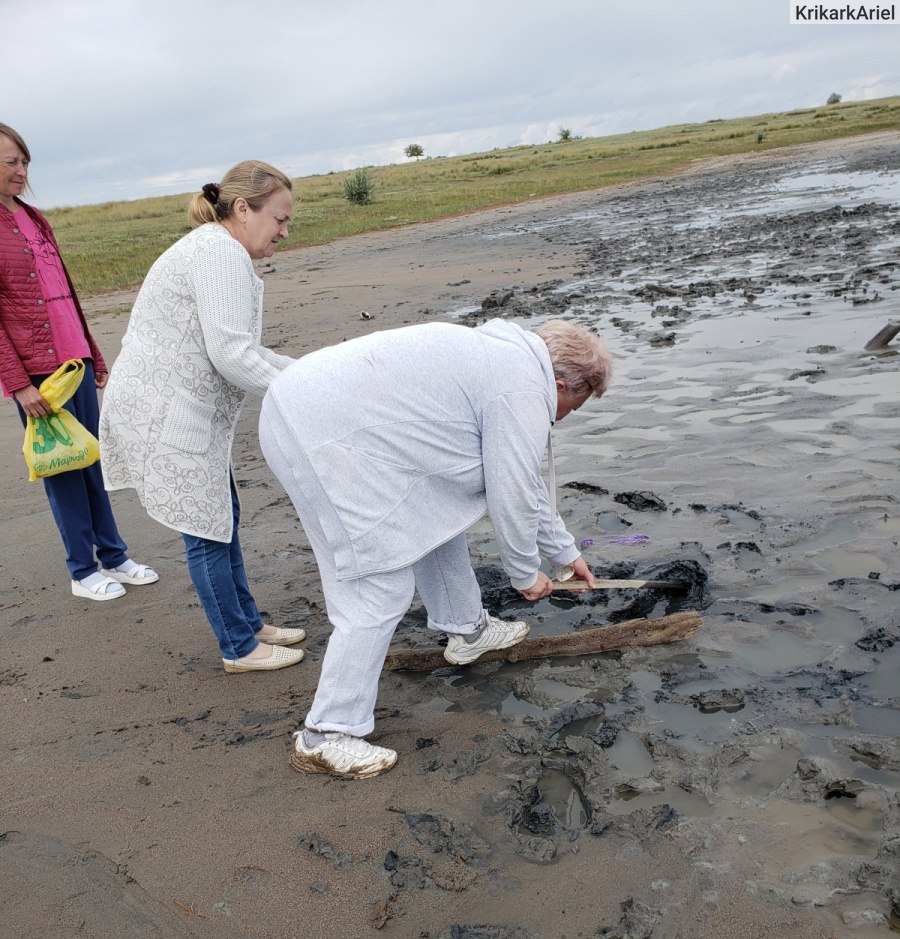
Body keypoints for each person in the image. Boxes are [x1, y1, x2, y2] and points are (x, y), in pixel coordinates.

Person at [260, 316, 612, 779]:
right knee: (375, 590)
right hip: (322, 433)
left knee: (431, 514)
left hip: (307, 409)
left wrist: (565, 553)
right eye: (575, 406)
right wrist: (527, 574)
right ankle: (326, 735)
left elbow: (525, 483)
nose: (564, 416)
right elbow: (513, 492)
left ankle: (467, 631)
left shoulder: (506, 358)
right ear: (562, 384)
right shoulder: (523, 386)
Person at [100, 160, 305, 673]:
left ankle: (249, 623)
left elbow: (240, 349)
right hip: (163, 411)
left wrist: (308, 373)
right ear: (242, 208)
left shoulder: (219, 247)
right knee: (207, 531)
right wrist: (303, 390)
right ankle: (239, 647)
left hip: (182, 408)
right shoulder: (219, 253)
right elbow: (233, 354)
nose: (285, 230)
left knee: (223, 515)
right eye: (279, 218)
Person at [0, 122, 157, 600]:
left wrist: (93, 352)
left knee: (93, 461)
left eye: (24, 161)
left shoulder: (34, 218)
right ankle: (82, 571)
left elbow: (65, 294)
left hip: (76, 361)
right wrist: (18, 385)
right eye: (11, 161)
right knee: (63, 467)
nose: (21, 170)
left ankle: (113, 556)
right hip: (39, 373)